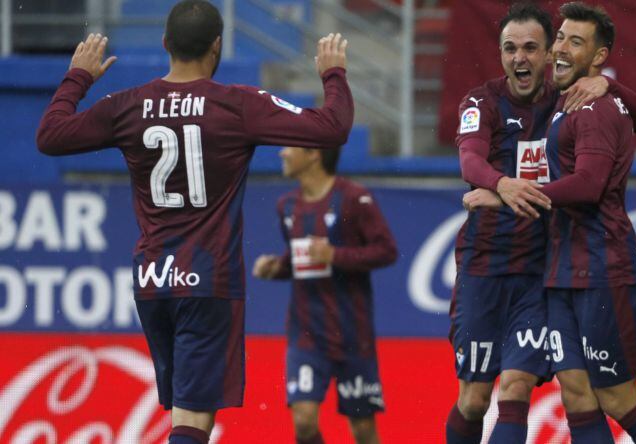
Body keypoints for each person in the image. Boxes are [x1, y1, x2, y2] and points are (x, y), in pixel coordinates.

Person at [35, 1, 353, 443]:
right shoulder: (238, 105)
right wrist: (333, 75)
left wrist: (78, 77)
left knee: (185, 417)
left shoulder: (126, 105)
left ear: (165, 44)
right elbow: (333, 128)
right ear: (217, 46)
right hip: (207, 278)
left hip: (151, 280)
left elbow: (50, 136)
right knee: (192, 421)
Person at [463, 2, 636, 443]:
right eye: (560, 37)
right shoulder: (565, 98)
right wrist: (610, 85)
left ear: (599, 57)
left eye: (574, 42)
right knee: (576, 393)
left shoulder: (593, 106)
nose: (560, 48)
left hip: (602, 267)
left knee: (616, 398)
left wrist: (506, 196)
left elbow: (589, 185)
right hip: (560, 270)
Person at [252, 146, 397, 444]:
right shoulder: (287, 205)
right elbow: (298, 261)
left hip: (352, 335)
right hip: (306, 335)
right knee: (304, 422)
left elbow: (386, 251)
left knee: (363, 428)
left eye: (289, 147)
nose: (282, 153)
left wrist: (335, 254)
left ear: (314, 153)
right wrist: (275, 268)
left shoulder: (354, 198)